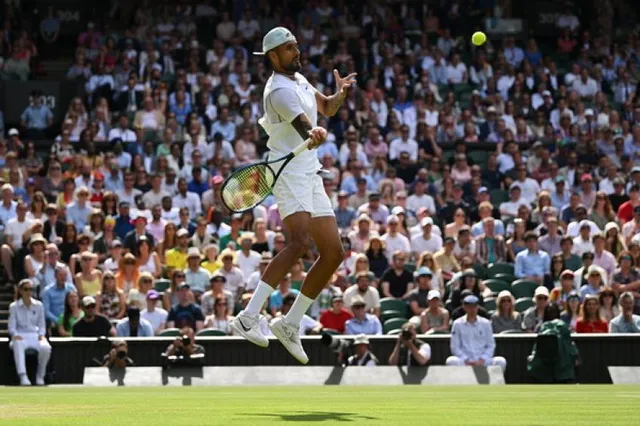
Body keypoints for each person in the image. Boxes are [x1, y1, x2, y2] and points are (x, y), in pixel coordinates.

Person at [231, 27, 356, 364]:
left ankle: (290, 323)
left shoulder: (299, 79)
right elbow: (305, 125)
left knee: (333, 252)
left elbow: (327, 108)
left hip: (309, 171)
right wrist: (312, 132)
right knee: (299, 243)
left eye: (296, 46)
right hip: (287, 172)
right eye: (289, 48)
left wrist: (340, 92)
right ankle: (248, 316)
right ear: (273, 56)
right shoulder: (278, 91)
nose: (296, 51)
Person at [446, 294, 507, 371]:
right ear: (464, 307)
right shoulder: (457, 324)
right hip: (464, 362)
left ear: (478, 307)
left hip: (483, 361)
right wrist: (466, 359)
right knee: (451, 361)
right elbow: (455, 347)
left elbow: (491, 345)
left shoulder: (486, 323)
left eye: (474, 306)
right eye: (469, 306)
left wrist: (482, 359)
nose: (472, 309)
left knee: (501, 361)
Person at [8, 279, 51, 385]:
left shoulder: (39, 305)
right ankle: (23, 376)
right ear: (21, 291)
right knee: (18, 344)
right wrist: (15, 335)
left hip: (35, 336)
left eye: (31, 289)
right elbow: (11, 327)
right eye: (26, 289)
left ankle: (40, 376)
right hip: (20, 336)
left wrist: (41, 335)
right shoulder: (14, 307)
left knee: (46, 347)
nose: (29, 292)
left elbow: (41, 325)